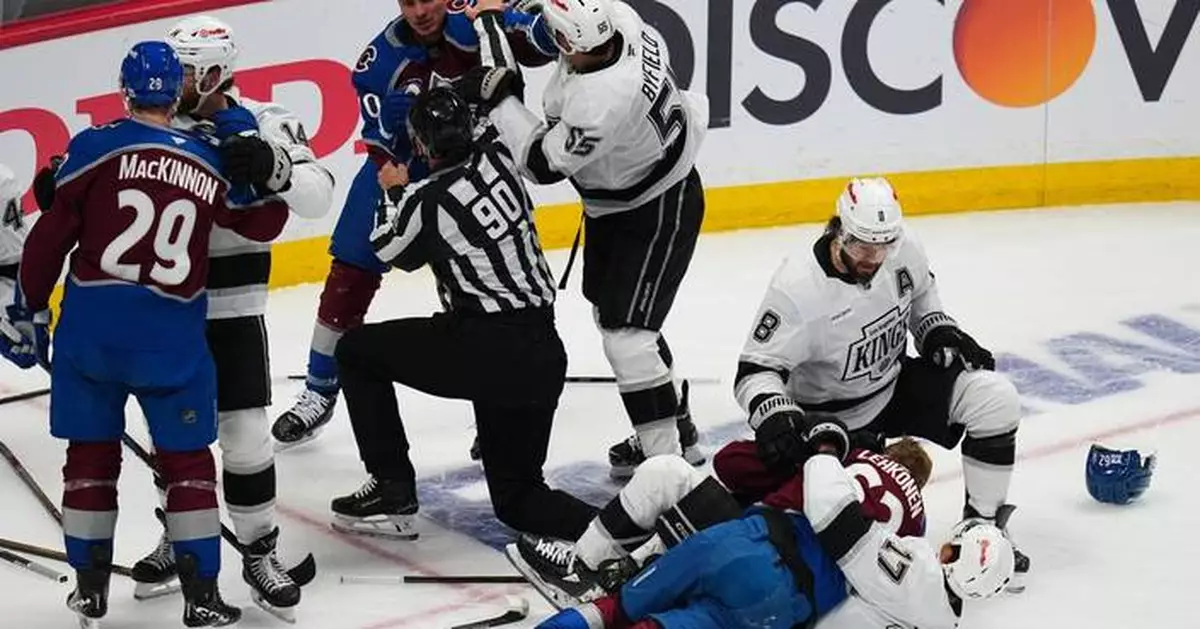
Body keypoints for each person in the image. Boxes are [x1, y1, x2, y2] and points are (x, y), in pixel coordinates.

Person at [0, 41, 289, 627]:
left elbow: (48, 237)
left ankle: (90, 591)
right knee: (189, 469)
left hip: (92, 336)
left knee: (88, 462)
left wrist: (30, 307)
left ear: (125, 90)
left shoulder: (93, 148)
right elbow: (268, 220)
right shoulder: (208, 159)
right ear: (174, 90)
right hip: (173, 341)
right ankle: (203, 598)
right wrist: (259, 168)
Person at [102, 15, 334, 620]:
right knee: (172, 436)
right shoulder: (148, 121)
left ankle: (260, 550)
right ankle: (179, 538)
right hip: (165, 306)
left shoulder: (265, 118)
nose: (178, 79)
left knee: (246, 437)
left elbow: (317, 193)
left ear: (219, 70)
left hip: (232, 305)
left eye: (190, 69)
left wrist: (272, 166)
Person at [273, 0, 558, 451]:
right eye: (408, 1)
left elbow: (543, 41)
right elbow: (382, 149)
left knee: (483, 286)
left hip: (473, 164)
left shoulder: (477, 20)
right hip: (404, 166)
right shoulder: (378, 62)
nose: (420, 10)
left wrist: (537, 16)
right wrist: (397, 187)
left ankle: (499, 405)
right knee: (349, 270)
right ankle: (319, 388)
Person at [731, 176, 1030, 590]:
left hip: (891, 386)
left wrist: (938, 332)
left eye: (883, 245)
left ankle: (981, 527)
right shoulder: (797, 289)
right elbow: (755, 371)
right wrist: (776, 415)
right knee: (824, 544)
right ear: (838, 229)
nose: (873, 257)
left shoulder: (904, 248)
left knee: (995, 399)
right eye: (861, 246)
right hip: (831, 424)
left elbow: (924, 301)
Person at [328, 87, 596, 542]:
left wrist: (393, 189)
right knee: (521, 497)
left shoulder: (427, 202)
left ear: (419, 147)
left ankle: (392, 486)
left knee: (355, 351)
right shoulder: (499, 155)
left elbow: (389, 248)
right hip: (543, 351)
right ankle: (628, 530)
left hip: (486, 350)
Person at [459, 0, 709, 480]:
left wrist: (502, 102)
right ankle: (678, 427)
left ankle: (669, 470)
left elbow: (539, 164)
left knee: (628, 337)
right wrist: (510, 7)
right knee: (616, 317)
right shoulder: (618, 19)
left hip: (657, 203)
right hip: (620, 196)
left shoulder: (603, 101)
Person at [528, 436, 1014, 629]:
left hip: (751, 537)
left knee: (667, 475)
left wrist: (820, 445)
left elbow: (732, 464)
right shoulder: (913, 537)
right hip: (790, 604)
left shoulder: (848, 460)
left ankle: (588, 570)